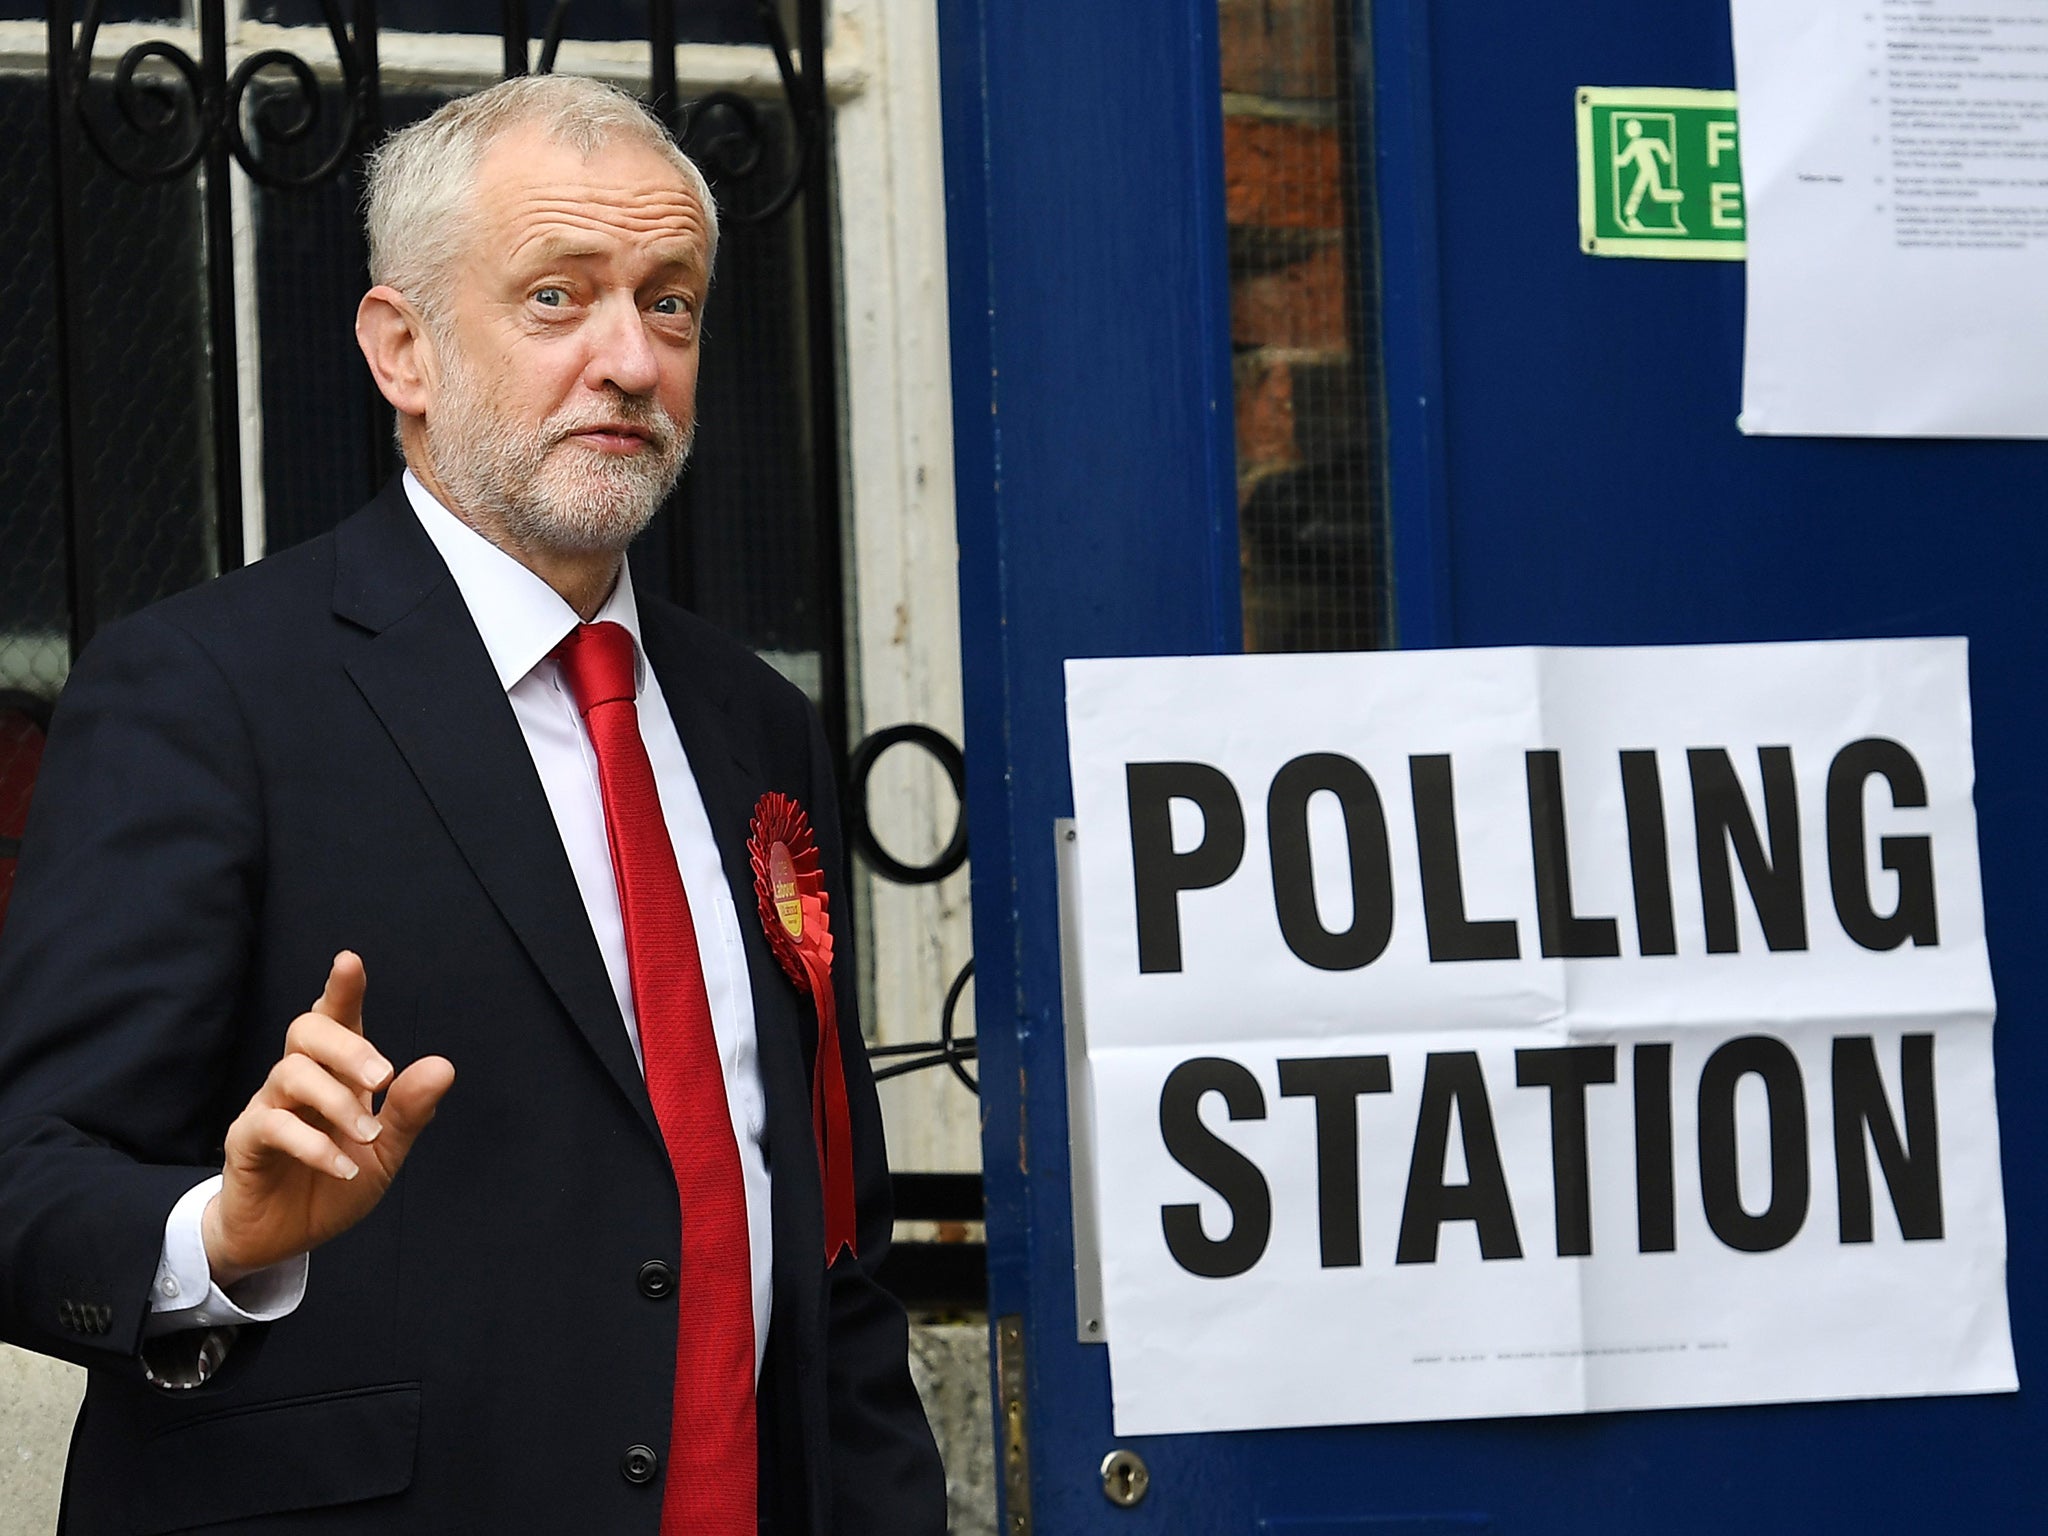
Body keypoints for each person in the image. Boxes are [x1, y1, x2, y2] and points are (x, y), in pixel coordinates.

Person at [0, 73, 946, 1535]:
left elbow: (822, 1234)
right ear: (404, 350)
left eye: (672, 303)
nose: (632, 360)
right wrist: (219, 1237)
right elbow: (26, 1184)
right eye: (559, 299)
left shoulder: (755, 721)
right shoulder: (205, 691)